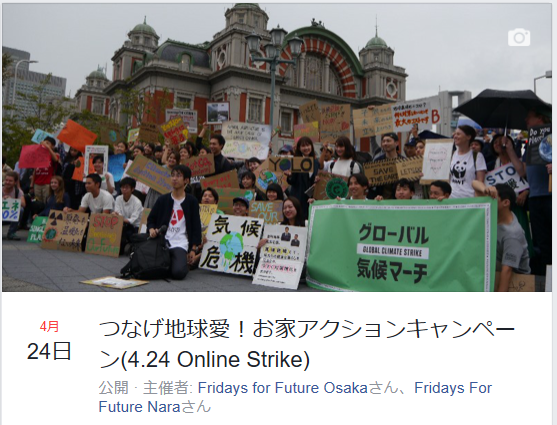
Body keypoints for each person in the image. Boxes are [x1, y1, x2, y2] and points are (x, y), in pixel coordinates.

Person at [473, 181, 530, 292]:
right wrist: (486, 189)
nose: (488, 200)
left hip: (514, 281)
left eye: (493, 197)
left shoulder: (513, 234)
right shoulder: (494, 215)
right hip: (493, 273)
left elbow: (507, 270)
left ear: (505, 203)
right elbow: (474, 184)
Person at [147, 165, 202, 280]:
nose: (174, 178)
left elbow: (196, 226)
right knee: (148, 268)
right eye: (172, 175)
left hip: (180, 243)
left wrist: (193, 249)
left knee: (178, 273)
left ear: (186, 180)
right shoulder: (163, 199)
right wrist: (151, 229)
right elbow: (151, 218)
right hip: (162, 241)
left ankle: (176, 263)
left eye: (178, 176)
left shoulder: (192, 201)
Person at [522, 109, 552, 275]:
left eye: (529, 116)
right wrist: (510, 149)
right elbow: (522, 171)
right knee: (542, 241)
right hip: (535, 198)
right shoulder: (531, 143)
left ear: (540, 118)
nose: (526, 119)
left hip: (550, 196)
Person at [285, 136, 320, 217]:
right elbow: (292, 181)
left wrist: (317, 180)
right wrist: (290, 175)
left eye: (308, 145)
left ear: (311, 146)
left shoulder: (315, 163)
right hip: (298, 197)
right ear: (299, 148)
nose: (306, 148)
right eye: (303, 146)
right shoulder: (296, 161)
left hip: (311, 199)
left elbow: (314, 180)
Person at [449, 125, 487, 198]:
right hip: (451, 199)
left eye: (458, 134)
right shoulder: (452, 155)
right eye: (455, 134)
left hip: (469, 200)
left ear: (468, 137)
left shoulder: (477, 156)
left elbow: (480, 182)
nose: (455, 136)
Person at [368, 132, 403, 200]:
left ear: (396, 143)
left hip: (398, 202)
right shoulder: (377, 162)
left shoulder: (403, 161)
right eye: (383, 141)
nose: (385, 143)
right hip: (380, 201)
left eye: (388, 141)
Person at [113, 177, 143, 254]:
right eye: (122, 187)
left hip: (135, 227)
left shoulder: (137, 202)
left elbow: (133, 220)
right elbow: (117, 212)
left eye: (126, 188)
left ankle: (130, 244)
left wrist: (119, 217)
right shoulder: (118, 199)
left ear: (132, 189)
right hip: (123, 224)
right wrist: (117, 216)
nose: (124, 190)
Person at [32, 137, 60, 203]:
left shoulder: (55, 155)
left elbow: (56, 159)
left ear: (52, 146)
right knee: (37, 202)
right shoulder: (38, 155)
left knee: (47, 201)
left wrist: (48, 148)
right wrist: (31, 184)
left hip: (47, 183)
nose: (45, 144)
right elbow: (35, 171)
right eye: (44, 142)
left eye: (48, 143)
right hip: (37, 183)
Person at [3, 171, 26, 240]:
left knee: (21, 210)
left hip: (10, 216)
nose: (7, 182)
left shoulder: (18, 191)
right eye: (6, 180)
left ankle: (11, 233)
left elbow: (23, 204)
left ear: (15, 182)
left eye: (10, 181)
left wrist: (12, 200)